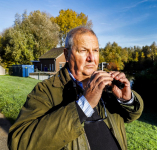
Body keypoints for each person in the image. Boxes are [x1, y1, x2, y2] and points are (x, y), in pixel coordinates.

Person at [8, 26, 144, 150]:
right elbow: (18, 142)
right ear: (66, 54)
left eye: (95, 50)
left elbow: (131, 116)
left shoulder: (108, 85)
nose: (91, 58)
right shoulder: (46, 90)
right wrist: (84, 105)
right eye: (83, 50)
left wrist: (127, 100)